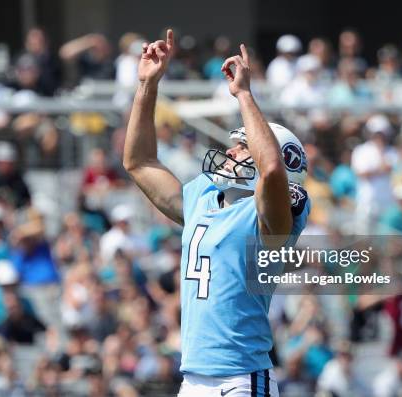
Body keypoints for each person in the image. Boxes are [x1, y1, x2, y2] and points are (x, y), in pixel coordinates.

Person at [123, 29, 310, 396]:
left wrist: (243, 94)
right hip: (192, 379)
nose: (231, 153)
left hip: (240, 379)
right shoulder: (203, 198)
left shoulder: (271, 218)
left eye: (242, 147)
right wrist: (147, 86)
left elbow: (271, 169)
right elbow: (139, 162)